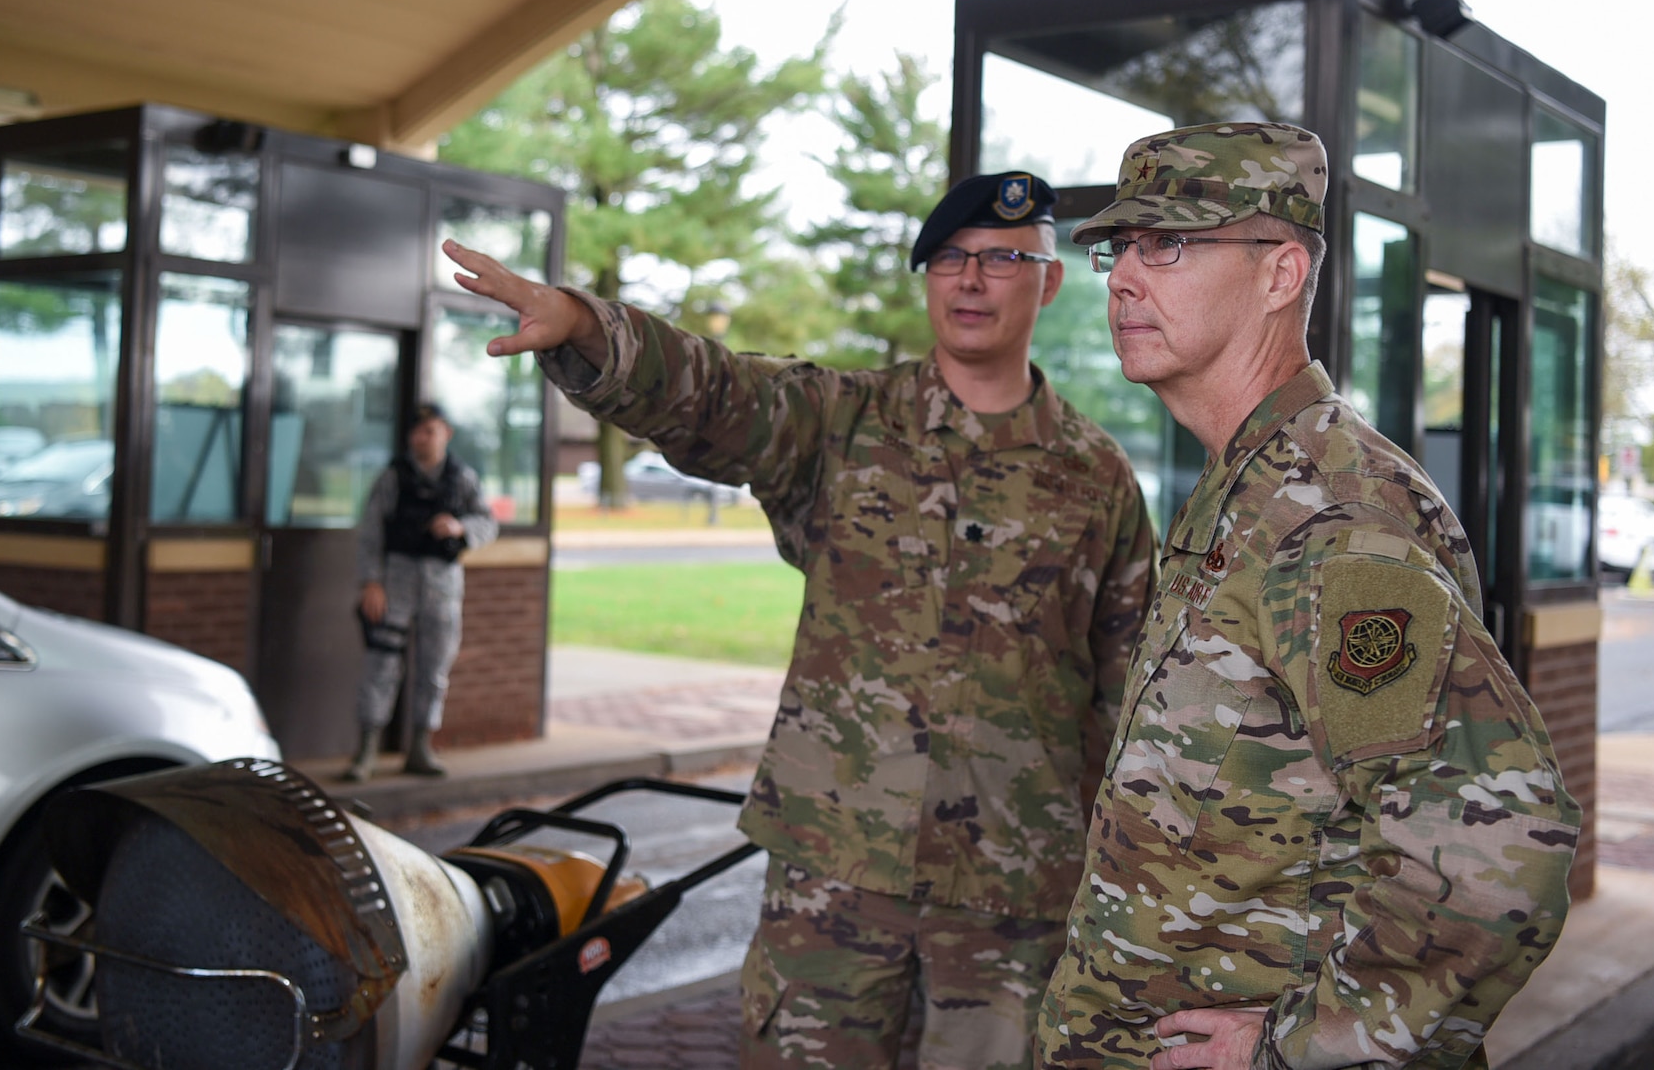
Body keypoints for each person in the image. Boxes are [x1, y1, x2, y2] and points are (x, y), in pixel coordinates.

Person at [442, 171, 1155, 1070]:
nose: (971, 280)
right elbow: (713, 395)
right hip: (834, 881)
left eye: (1004, 258)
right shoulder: (841, 422)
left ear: (1049, 281)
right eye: (949, 258)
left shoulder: (1096, 476)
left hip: (1011, 900)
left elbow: (1130, 688)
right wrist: (590, 330)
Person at [1036, 123, 1581, 1070]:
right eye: (1117, 248)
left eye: (1167, 243)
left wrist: (1303, 1046)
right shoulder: (1247, 490)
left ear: (1281, 274)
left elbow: (1498, 856)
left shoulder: (1332, 522)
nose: (1125, 276)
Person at [343, 401, 499, 782]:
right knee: (381, 664)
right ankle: (366, 750)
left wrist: (460, 528)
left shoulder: (462, 477)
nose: (421, 439)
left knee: (435, 667)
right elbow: (371, 534)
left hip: (442, 583)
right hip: (396, 580)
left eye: (429, 431)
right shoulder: (393, 478)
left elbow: (488, 522)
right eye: (417, 432)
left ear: (446, 433)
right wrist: (371, 582)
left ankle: (420, 746)